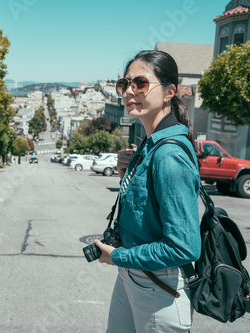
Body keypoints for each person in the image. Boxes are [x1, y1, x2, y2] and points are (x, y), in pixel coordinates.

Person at [94, 50, 203, 333]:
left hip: (159, 286)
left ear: (169, 92)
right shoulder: (149, 144)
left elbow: (184, 246)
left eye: (140, 83)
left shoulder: (168, 154)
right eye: (124, 84)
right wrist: (126, 177)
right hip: (133, 276)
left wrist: (116, 256)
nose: (130, 91)